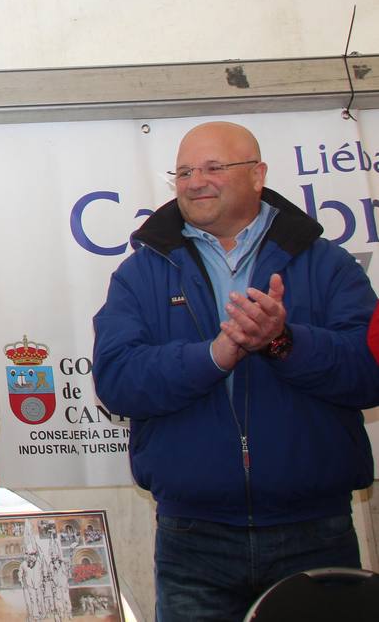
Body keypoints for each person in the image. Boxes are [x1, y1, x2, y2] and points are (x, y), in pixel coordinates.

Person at [93, 121, 379, 622]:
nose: (194, 181)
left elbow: (369, 372)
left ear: (257, 174)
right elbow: (117, 380)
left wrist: (284, 342)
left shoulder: (326, 264)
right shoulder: (141, 272)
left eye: (213, 167)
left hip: (315, 531)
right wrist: (215, 355)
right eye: (182, 171)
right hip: (193, 540)